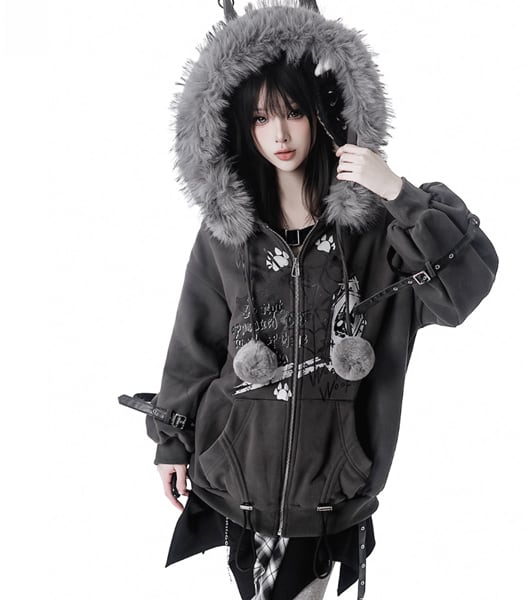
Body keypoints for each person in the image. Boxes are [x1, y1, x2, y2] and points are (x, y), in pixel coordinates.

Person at [144, 2, 499, 600]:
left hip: (331, 488)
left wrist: (396, 192)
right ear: (239, 126)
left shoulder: (378, 232)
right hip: (236, 479)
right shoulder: (227, 234)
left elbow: (464, 287)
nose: (279, 135)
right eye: (261, 118)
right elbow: (195, 340)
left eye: (293, 113)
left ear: (323, 113)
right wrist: (172, 442)